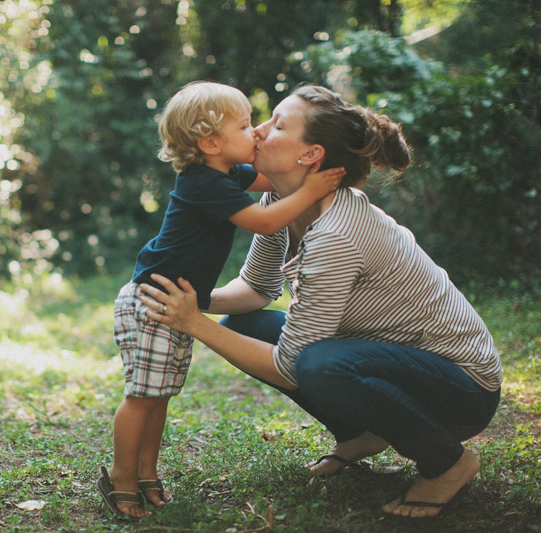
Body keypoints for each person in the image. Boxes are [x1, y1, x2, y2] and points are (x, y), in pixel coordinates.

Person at [139, 85, 501, 521]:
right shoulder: (279, 202)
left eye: (278, 124)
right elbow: (255, 289)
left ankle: (446, 462)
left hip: (461, 389)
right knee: (245, 323)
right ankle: (360, 433)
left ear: (309, 155)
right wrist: (185, 299)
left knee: (318, 364)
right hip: (388, 364)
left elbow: (292, 365)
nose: (258, 130)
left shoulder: (336, 234)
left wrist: (195, 322)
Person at [98, 81, 345, 518]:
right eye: (247, 125)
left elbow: (276, 179)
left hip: (173, 302)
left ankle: (147, 472)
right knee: (142, 397)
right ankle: (121, 477)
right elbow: (265, 221)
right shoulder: (200, 182)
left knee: (160, 396)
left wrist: (313, 162)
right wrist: (311, 190)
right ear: (211, 142)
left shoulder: (228, 174)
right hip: (154, 300)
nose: (257, 132)